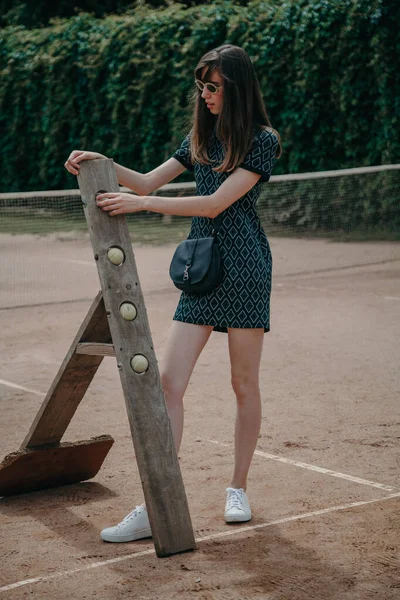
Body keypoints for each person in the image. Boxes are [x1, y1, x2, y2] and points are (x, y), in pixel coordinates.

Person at [65, 44, 281, 543]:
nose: (204, 95)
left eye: (213, 87)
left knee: (243, 384)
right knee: (166, 381)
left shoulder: (262, 140)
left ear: (236, 88)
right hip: (202, 267)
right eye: (201, 86)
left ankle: (238, 488)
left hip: (245, 265)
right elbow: (145, 180)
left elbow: (215, 204)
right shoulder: (199, 137)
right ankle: (155, 501)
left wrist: (142, 206)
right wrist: (105, 163)